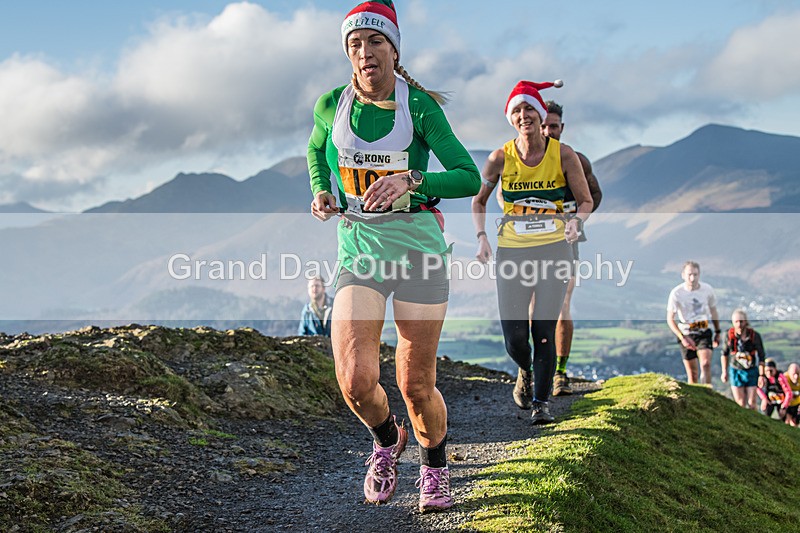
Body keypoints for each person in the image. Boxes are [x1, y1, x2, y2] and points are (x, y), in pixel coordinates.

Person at [306, 0, 480, 513]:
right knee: (356, 379)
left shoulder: (419, 107)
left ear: (393, 49)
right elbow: (317, 150)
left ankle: (435, 467)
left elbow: (468, 176)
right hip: (360, 251)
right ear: (347, 53)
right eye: (355, 44)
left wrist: (413, 179)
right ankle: (386, 441)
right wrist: (321, 190)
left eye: (375, 42)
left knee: (414, 381)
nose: (365, 53)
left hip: (420, 253)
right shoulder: (330, 105)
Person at [472, 80, 592, 425]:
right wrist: (482, 237)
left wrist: (576, 223)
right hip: (512, 253)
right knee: (514, 338)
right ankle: (524, 368)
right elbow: (479, 201)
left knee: (543, 329)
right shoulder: (500, 158)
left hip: (554, 250)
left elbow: (585, 200)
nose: (523, 115)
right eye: (517, 111)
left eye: (529, 110)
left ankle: (541, 403)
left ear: (541, 116)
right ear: (510, 118)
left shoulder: (563, 154)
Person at [495, 100, 603, 396]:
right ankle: (528, 368)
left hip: (563, 242)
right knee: (530, 310)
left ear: (561, 128)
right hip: (524, 244)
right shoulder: (515, 157)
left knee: (562, 305)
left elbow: (594, 195)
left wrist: (575, 221)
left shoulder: (573, 159)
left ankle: (560, 373)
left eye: (553, 127)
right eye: (544, 125)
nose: (547, 131)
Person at [666, 261, 721, 385]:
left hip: (703, 330)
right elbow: (670, 319)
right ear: (683, 275)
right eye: (689, 274)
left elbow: (713, 311)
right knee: (693, 374)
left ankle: (708, 392)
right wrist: (682, 337)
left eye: (695, 275)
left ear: (699, 275)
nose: (692, 278)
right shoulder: (677, 293)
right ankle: (696, 399)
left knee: (706, 364)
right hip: (686, 332)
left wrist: (718, 331)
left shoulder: (707, 290)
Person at [720, 309, 765, 409]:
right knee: (740, 403)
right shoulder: (729, 336)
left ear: (746, 321)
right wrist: (724, 371)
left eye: (741, 321)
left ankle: (755, 423)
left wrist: (761, 375)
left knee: (752, 402)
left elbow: (761, 356)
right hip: (736, 370)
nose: (739, 324)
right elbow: (724, 354)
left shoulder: (754, 336)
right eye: (736, 322)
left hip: (751, 370)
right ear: (733, 322)